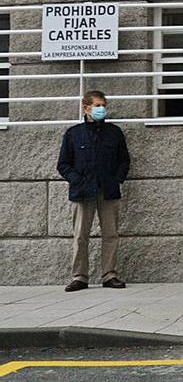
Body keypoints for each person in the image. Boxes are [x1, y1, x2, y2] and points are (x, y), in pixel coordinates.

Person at [57, 91, 130, 292]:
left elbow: (124, 160)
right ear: (86, 107)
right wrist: (76, 180)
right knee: (80, 235)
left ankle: (110, 275)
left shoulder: (114, 132)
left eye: (103, 105)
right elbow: (63, 164)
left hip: (108, 190)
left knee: (111, 234)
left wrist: (117, 179)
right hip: (82, 192)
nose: (101, 109)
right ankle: (79, 277)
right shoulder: (73, 134)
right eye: (97, 105)